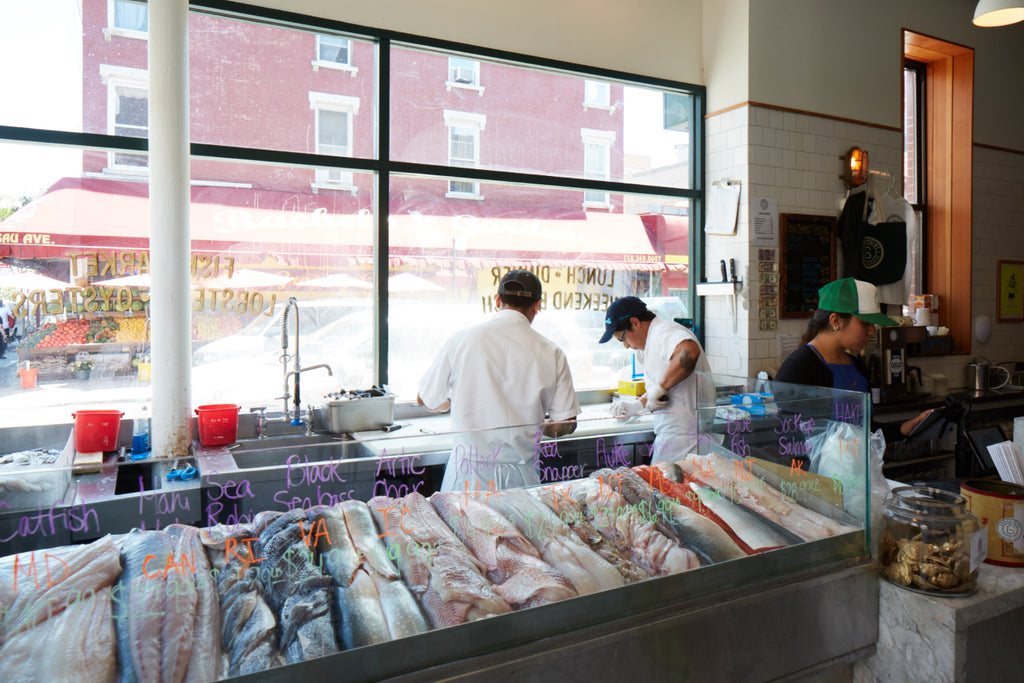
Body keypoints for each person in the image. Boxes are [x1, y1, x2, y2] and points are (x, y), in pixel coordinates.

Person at [417, 269, 580, 493]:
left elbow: (425, 399)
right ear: (536, 306)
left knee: (462, 529)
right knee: (518, 530)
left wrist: (451, 404)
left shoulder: (462, 340)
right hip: (521, 481)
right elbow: (565, 424)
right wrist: (531, 425)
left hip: (466, 478)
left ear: (497, 300)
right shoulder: (552, 352)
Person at [775, 277, 930, 438]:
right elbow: (786, 439)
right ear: (836, 321)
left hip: (856, 463)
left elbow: (864, 430)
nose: (871, 331)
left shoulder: (858, 367)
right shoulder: (798, 368)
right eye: (865, 323)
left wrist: (903, 429)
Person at [598, 296, 714, 463]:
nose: (625, 346)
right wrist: (638, 405)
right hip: (672, 438)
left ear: (635, 323)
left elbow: (689, 352)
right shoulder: (649, 343)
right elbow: (662, 391)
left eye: (623, 338)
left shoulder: (662, 331)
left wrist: (661, 387)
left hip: (686, 441)